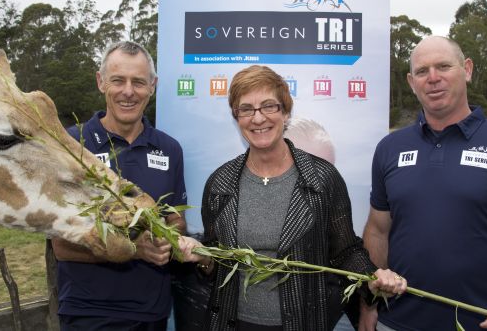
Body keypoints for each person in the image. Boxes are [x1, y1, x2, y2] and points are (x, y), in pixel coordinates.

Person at [178, 65, 407, 331]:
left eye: (269, 106)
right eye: (246, 109)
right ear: (236, 117)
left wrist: (372, 275)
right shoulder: (220, 183)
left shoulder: (322, 178)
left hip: (303, 323)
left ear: (286, 113)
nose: (258, 118)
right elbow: (216, 262)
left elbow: (345, 252)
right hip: (233, 323)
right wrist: (201, 256)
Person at [361, 35, 487, 331]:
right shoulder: (390, 148)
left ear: (467, 69)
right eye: (422, 72)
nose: (433, 78)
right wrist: (369, 304)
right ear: (412, 82)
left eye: (443, 66)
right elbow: (377, 230)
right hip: (396, 323)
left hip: (482, 323)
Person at [51, 41, 187, 331]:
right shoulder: (72, 145)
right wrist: (135, 250)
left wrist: (167, 239)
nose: (128, 91)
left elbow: (176, 219)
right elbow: (61, 245)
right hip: (89, 313)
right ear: (101, 82)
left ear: (153, 86)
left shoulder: (169, 149)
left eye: (138, 82)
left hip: (153, 313)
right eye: (118, 80)